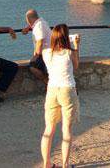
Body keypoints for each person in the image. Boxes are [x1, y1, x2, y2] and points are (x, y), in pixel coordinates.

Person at [39, 24, 80, 168]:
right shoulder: (69, 52)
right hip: (67, 90)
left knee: (48, 129)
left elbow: (44, 47)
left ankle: (47, 164)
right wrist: (76, 46)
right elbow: (76, 66)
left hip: (52, 90)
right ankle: (65, 165)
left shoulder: (46, 53)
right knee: (66, 129)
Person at [20, 9, 53, 81]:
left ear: (28, 19)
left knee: (32, 67)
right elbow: (33, 24)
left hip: (45, 53)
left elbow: (40, 42)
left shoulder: (39, 26)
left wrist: (35, 56)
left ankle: (47, 82)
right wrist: (28, 27)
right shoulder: (41, 22)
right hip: (48, 51)